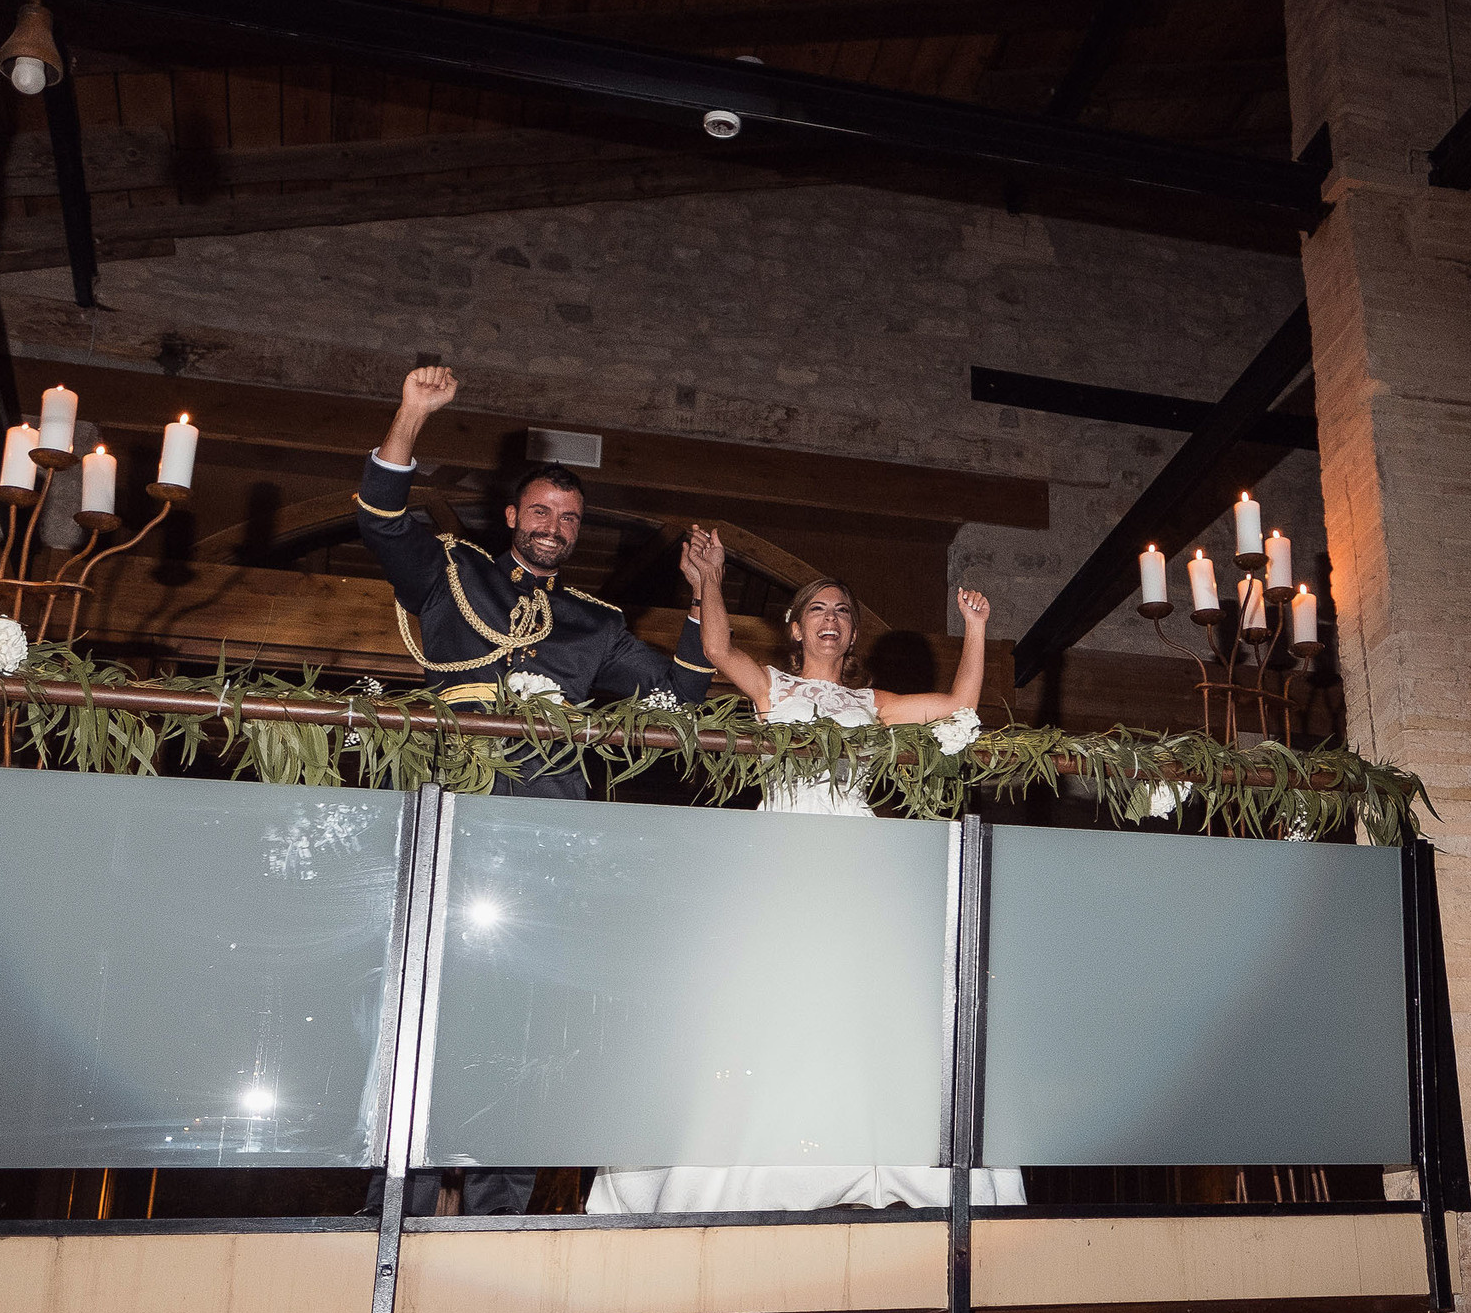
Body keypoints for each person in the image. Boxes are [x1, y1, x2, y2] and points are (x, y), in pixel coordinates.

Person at [355, 364, 721, 1219]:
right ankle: (382, 1221)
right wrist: (412, 414)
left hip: (547, 846)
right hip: (449, 823)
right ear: (513, 517)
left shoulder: (595, 624)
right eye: (542, 512)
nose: (555, 527)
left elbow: (684, 697)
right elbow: (378, 518)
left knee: (523, 1034)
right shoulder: (452, 577)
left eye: (570, 518)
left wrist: (704, 595)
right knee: (421, 1021)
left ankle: (495, 1227)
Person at [586, 546, 1027, 1214]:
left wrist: (975, 627)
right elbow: (715, 645)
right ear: (795, 628)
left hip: (854, 859)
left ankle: (882, 1157)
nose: (830, 618)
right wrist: (709, 580)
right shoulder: (772, 688)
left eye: (842, 611)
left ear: (852, 634)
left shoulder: (871, 701)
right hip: (783, 852)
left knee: (869, 1001)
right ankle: (738, 1166)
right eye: (817, 608)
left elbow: (960, 706)